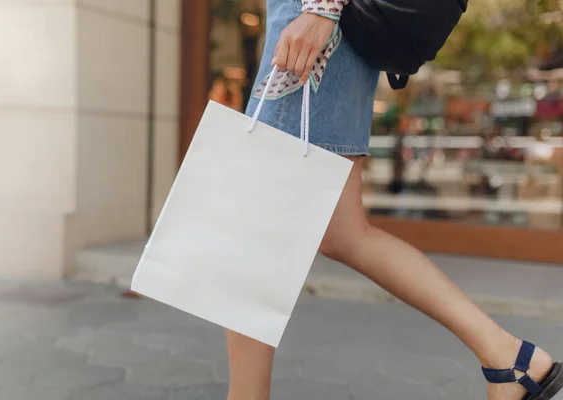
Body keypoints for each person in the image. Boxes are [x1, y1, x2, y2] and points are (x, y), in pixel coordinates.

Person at [229, 1, 562, 400]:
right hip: (324, 25)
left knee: (253, 236)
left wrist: (321, 10)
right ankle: (510, 358)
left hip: (315, 19)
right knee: (343, 234)